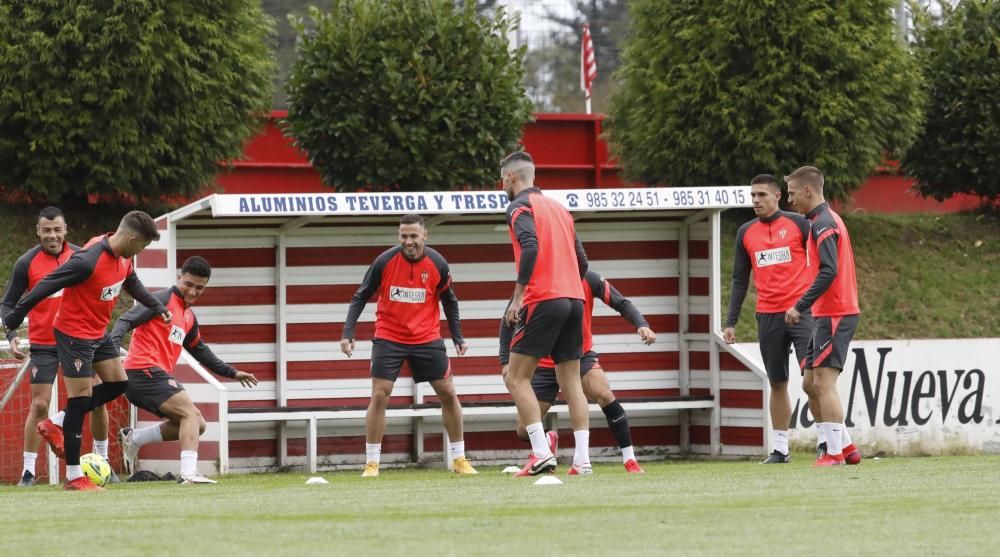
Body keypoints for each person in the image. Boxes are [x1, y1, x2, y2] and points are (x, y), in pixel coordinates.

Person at [2, 210, 172, 490]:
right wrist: (15, 317)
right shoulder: (88, 260)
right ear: (131, 239)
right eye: (143, 245)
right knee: (80, 401)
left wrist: (158, 307)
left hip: (98, 332)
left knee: (118, 383)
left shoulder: (124, 258)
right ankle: (73, 477)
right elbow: (46, 284)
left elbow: (133, 283)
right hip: (74, 335)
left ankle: (57, 422)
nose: (142, 250)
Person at [340, 214, 476, 477]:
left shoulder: (438, 264)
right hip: (389, 337)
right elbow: (360, 296)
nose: (408, 241)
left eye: (413, 236)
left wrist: (458, 336)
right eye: (404, 236)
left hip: (426, 338)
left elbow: (450, 301)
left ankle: (459, 459)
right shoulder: (384, 261)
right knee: (380, 394)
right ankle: (372, 463)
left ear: (425, 236)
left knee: (448, 393)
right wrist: (348, 332)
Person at [110, 256, 258, 484]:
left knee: (197, 424)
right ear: (179, 277)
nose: (192, 291)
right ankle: (188, 474)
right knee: (190, 414)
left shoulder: (188, 316)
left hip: (152, 375)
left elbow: (200, 350)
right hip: (142, 371)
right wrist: (111, 347)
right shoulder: (160, 300)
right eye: (188, 284)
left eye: (199, 288)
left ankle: (135, 437)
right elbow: (124, 320)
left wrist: (231, 373)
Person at [500, 269, 655, 474]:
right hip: (544, 364)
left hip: (578, 356)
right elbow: (508, 320)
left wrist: (641, 325)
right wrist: (504, 361)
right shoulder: (534, 279)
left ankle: (629, 460)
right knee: (522, 429)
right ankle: (546, 444)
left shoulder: (589, 278)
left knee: (604, 394)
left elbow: (621, 302)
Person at [0, 207, 113, 486]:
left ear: (66, 230)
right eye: (46, 230)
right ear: (38, 231)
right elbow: (7, 303)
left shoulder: (82, 257)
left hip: (80, 339)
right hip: (45, 343)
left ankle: (104, 462)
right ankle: (28, 471)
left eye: (57, 229)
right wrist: (12, 334)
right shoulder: (26, 263)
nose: (52, 235)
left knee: (97, 397)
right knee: (39, 404)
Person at [500, 150, 591, 476]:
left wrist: (519, 295)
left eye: (502, 178)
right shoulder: (560, 208)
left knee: (516, 376)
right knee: (572, 383)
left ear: (510, 177)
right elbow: (583, 262)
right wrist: (566, 280)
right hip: (574, 299)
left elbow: (530, 245)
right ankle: (582, 461)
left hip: (543, 298)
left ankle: (541, 452)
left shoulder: (519, 206)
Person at [724, 175, 815, 464]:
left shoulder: (800, 224)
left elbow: (821, 265)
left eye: (761, 195)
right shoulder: (745, 232)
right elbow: (740, 279)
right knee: (777, 382)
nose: (756, 201)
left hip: (801, 313)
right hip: (767, 316)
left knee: (814, 380)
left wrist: (810, 304)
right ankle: (780, 450)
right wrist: (731, 321)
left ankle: (830, 443)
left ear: (778, 196)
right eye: (753, 195)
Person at [784, 166, 862, 467]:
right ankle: (846, 446)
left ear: (807, 191)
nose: (790, 201)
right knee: (809, 383)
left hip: (835, 312)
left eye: (791, 194)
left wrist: (799, 305)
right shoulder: (822, 220)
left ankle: (833, 454)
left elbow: (829, 271)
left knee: (824, 384)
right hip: (824, 314)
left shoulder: (823, 224)